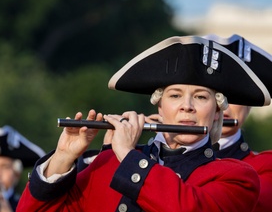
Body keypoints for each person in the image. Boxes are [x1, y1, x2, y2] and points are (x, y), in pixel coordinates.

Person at [16, 36, 270, 211]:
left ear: (217, 112)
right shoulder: (107, 164)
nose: (187, 106)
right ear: (159, 106)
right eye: (174, 95)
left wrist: (127, 153)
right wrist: (63, 157)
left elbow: (189, 207)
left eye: (201, 97)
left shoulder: (237, 176)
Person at [203, 34, 272, 212]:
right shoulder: (148, 155)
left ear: (250, 103)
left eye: (233, 95)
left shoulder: (264, 167)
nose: (222, 105)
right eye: (210, 93)